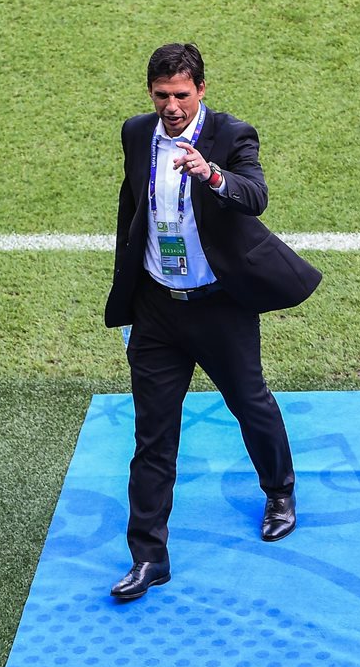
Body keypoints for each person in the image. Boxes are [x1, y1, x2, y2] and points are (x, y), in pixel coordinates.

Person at [103, 43, 321, 600]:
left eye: (180, 95)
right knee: (152, 438)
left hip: (220, 306)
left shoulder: (232, 134)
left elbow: (256, 196)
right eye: (161, 95)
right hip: (156, 309)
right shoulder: (135, 133)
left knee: (251, 402)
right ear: (149, 92)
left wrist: (213, 174)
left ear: (201, 90)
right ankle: (149, 557)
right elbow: (134, 209)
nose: (171, 106)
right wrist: (128, 289)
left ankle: (279, 491)